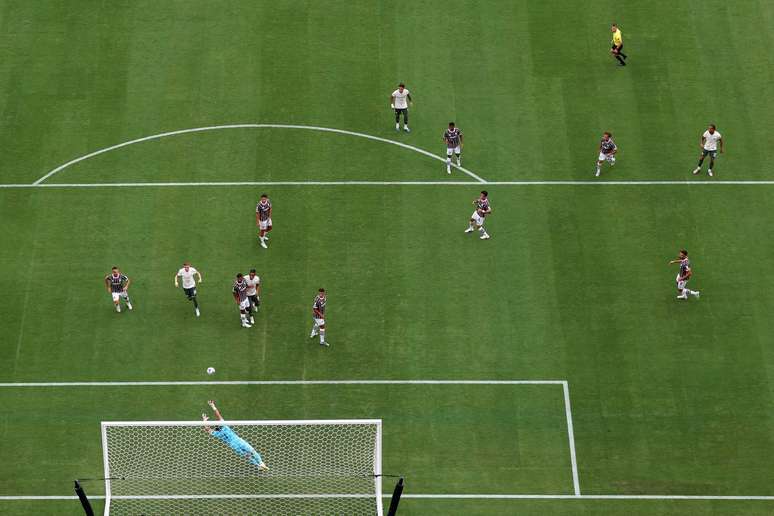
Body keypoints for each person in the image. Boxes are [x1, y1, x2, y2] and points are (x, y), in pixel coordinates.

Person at [202, 400, 268, 471]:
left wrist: (204, 421)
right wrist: (213, 406)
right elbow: (218, 415)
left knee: (246, 456)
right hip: (239, 441)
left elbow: (208, 430)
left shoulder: (218, 434)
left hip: (233, 445)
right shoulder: (225, 427)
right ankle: (261, 463)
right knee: (252, 451)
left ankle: (258, 465)